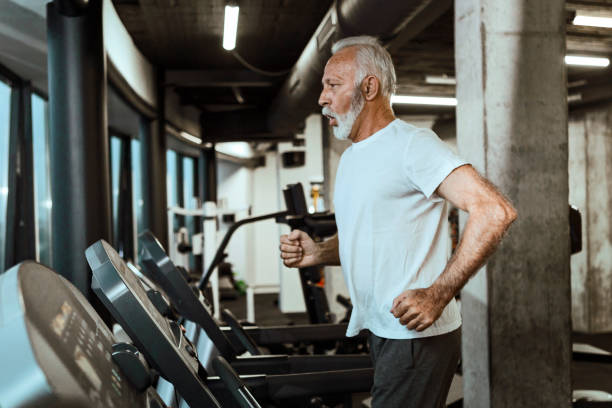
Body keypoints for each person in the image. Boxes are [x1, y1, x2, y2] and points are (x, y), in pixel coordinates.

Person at [279, 36, 517, 408]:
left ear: (369, 87)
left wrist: (438, 293)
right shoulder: (353, 157)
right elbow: (367, 234)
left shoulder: (412, 145)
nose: (321, 97)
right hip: (381, 330)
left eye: (332, 85)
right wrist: (318, 252)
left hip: (415, 338)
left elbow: (495, 210)